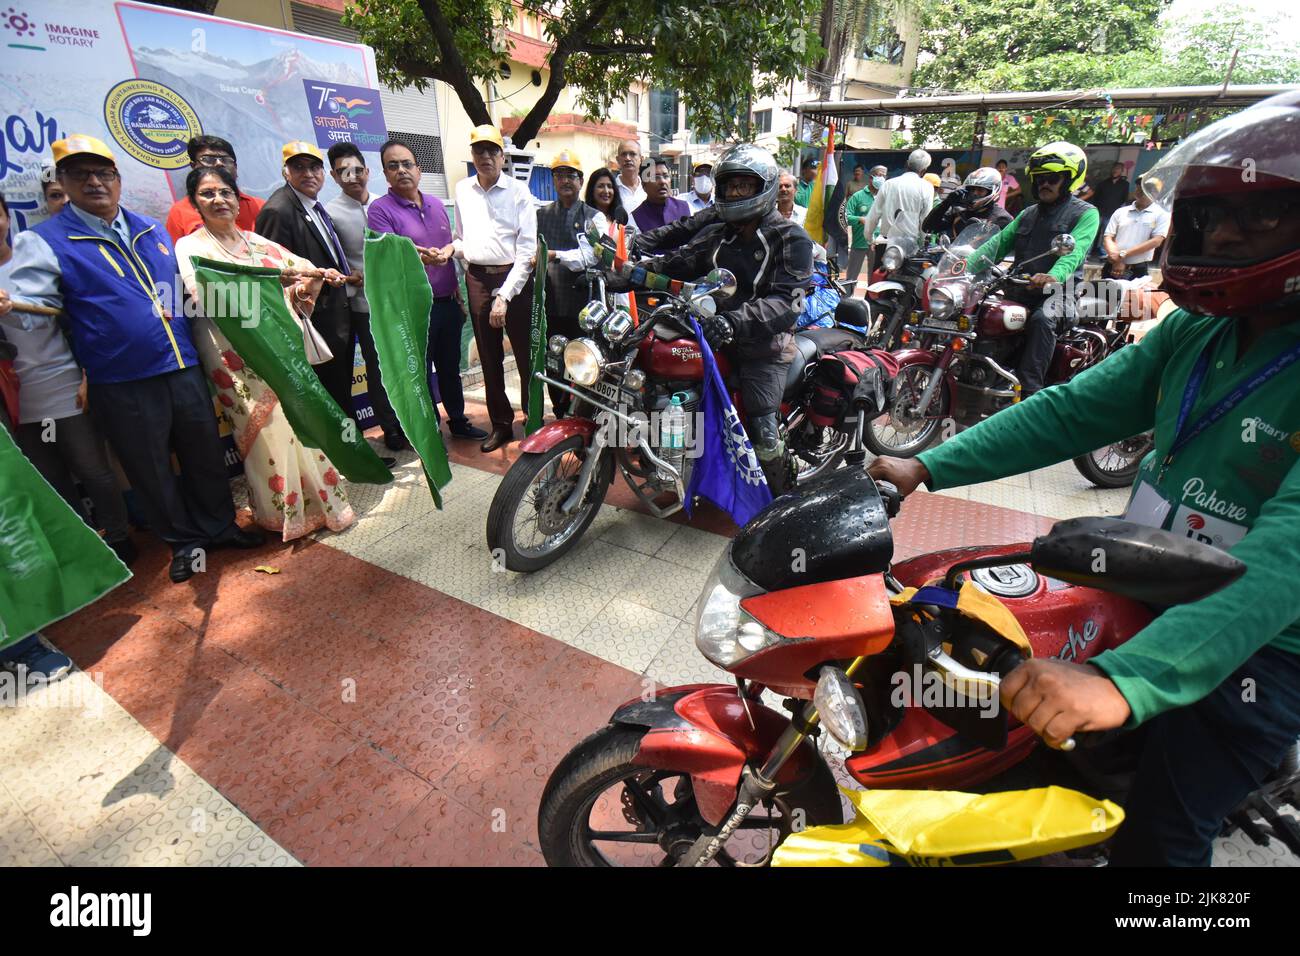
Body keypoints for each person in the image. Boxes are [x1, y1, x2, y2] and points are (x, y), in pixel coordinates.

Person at [868, 89, 1300, 867]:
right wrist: (925, 464)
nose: (1228, 234)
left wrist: (1125, 683)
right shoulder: (1201, 332)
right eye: (1214, 216)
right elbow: (1071, 412)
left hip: (1261, 646)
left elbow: (1285, 563)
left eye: (1261, 216)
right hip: (1146, 572)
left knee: (1163, 836)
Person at [2, 134, 262, 584]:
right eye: (81, 175)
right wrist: (11, 304)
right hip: (121, 378)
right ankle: (183, 542)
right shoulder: (45, 241)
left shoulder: (150, 229)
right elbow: (28, 309)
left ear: (118, 179)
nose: (95, 182)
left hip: (180, 363)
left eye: (103, 173)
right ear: (63, 181)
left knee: (202, 454)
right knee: (150, 467)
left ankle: (219, 527)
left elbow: (179, 295)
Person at [173, 166, 356, 540]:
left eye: (225, 192)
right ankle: (282, 514)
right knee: (265, 430)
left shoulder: (259, 244)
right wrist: (274, 282)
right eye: (208, 194)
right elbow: (204, 295)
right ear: (195, 203)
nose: (219, 200)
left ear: (237, 200)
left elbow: (301, 272)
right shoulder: (192, 247)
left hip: (280, 348)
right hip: (232, 356)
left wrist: (311, 281)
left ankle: (324, 504)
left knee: (298, 421)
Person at [640, 144, 813, 495]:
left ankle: (782, 497)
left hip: (764, 346)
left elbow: (787, 302)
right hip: (712, 334)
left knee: (763, 428)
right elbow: (678, 261)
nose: (735, 193)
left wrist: (735, 322)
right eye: (730, 185)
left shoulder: (792, 237)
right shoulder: (723, 233)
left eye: (744, 186)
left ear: (763, 188)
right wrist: (629, 273)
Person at [0, 189, 134, 566]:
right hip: (18, 403)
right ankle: (83, 545)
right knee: (52, 480)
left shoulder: (37, 261)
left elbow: (81, 321)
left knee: (93, 470)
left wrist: (88, 374)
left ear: (7, 218)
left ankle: (120, 539)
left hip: (65, 387)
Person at [368, 139, 488, 443]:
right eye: (393, 166)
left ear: (419, 169)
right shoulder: (380, 211)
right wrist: (418, 257)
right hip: (413, 309)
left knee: (450, 368)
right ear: (385, 173)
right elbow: (387, 258)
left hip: (448, 304)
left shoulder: (436, 205)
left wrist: (458, 296)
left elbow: (451, 253)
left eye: (407, 164)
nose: (401, 171)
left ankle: (458, 421)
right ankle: (429, 430)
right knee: (419, 374)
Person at [965, 141, 1098, 398]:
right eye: (1039, 179)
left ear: (1069, 180)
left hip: (1059, 294)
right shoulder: (1028, 214)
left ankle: (1028, 394)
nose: (1044, 184)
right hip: (1020, 289)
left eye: (1052, 178)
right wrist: (962, 266)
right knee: (983, 312)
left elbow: (1074, 252)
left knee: (1042, 320)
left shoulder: (1086, 214)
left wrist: (1054, 276)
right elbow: (996, 245)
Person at [433, 125, 537, 453]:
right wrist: (452, 249)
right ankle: (501, 424)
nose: (486, 157)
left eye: (492, 151)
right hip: (477, 278)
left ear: (502, 157)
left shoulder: (519, 192)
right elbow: (464, 238)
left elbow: (526, 252)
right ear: (473, 156)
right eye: (479, 151)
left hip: (516, 278)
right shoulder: (463, 190)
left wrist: (504, 295)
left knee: (525, 357)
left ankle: (533, 420)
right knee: (489, 358)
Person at [255, 142, 360, 432]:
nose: (308, 174)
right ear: (285, 172)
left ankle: (352, 449)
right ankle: (342, 454)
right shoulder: (279, 210)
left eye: (314, 167)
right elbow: (274, 274)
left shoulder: (314, 206)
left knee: (339, 389)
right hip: (312, 321)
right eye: (298, 167)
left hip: (337, 313)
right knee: (326, 393)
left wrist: (343, 276)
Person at [325, 142, 406, 451]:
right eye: (345, 171)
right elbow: (333, 264)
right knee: (378, 368)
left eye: (358, 170)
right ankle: (390, 429)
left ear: (368, 172)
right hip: (363, 306)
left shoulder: (385, 205)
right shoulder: (330, 214)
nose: (353, 176)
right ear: (335, 176)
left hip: (397, 303)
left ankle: (406, 422)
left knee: (400, 366)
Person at [536, 150, 595, 419]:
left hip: (584, 304)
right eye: (559, 175)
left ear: (580, 180)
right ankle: (560, 414)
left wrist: (556, 255)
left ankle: (583, 415)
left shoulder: (593, 216)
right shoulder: (541, 215)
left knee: (584, 362)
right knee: (554, 362)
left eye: (571, 175)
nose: (565, 181)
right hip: (551, 302)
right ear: (553, 180)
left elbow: (593, 256)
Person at [164, 136, 265, 242]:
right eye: (208, 159)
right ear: (193, 166)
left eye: (225, 160)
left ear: (235, 167)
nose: (219, 164)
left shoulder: (260, 207)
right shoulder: (180, 212)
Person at [861, 149, 936, 272]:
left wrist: (869, 238)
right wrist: (922, 244)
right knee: (909, 285)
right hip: (910, 247)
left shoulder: (889, 184)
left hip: (885, 245)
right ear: (923, 171)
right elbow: (925, 220)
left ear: (907, 164)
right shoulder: (927, 187)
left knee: (876, 284)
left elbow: (873, 215)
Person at [922, 166, 1014, 243]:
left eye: (980, 190)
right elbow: (928, 228)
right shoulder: (960, 212)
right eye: (972, 189)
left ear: (992, 191)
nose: (975, 193)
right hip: (952, 262)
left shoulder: (1002, 218)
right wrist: (946, 203)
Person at [1102, 177, 1169, 280]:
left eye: (1147, 189)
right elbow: (1108, 237)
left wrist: (1122, 255)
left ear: (1156, 193)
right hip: (1112, 265)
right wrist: (1118, 260)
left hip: (1137, 269)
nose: (1141, 192)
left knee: (1130, 296)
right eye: (1139, 188)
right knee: (1100, 295)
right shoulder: (1121, 212)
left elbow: (1156, 241)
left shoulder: (1161, 214)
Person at [842, 165, 887, 282]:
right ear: (871, 178)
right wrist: (860, 219)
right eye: (879, 175)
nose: (882, 178)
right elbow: (845, 216)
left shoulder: (886, 197)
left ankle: (871, 300)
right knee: (851, 276)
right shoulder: (858, 196)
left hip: (878, 243)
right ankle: (847, 298)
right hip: (859, 242)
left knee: (875, 277)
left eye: (884, 176)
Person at [632, 158, 692, 235]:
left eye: (666, 176)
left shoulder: (687, 208)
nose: (663, 181)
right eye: (655, 177)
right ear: (644, 185)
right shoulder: (635, 219)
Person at [1089, 161, 1133, 257]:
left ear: (1121, 171)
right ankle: (1087, 253)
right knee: (1092, 232)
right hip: (1099, 212)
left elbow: (1124, 199)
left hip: (1112, 213)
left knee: (1107, 234)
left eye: (1118, 169)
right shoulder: (1103, 183)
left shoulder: (1125, 184)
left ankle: (1103, 254)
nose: (1115, 170)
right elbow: (1096, 198)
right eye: (1114, 168)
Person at [614, 139, 646, 214]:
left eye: (632, 154)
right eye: (624, 154)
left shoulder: (648, 188)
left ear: (641, 159)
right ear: (618, 160)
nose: (627, 158)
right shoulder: (611, 190)